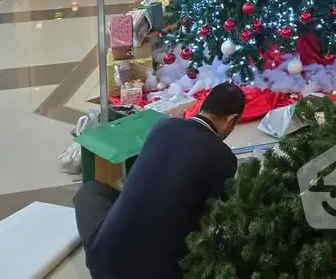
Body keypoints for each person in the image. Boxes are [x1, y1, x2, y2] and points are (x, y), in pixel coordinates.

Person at [74, 83, 245, 279]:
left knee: (90, 191)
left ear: (202, 106)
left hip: (104, 264)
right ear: (232, 120)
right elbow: (213, 220)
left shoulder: (164, 126)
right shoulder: (224, 157)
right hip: (160, 272)